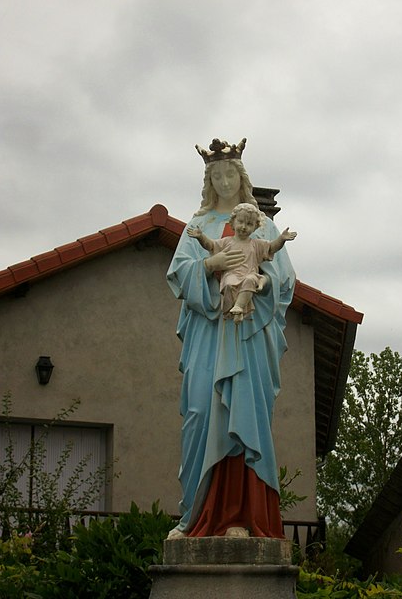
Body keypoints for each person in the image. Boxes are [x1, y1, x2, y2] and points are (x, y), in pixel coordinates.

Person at [166, 138, 296, 539]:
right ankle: (195, 517)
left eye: (230, 174)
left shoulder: (265, 225)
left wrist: (257, 283)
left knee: (242, 415)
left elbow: (284, 279)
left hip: (248, 335)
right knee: (202, 414)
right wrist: (211, 264)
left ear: (241, 178)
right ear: (208, 180)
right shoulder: (197, 226)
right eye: (216, 175)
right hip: (208, 332)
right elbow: (178, 274)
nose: (224, 181)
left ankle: (240, 517)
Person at [187, 203, 297, 323]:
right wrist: (200, 237)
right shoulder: (226, 242)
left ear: (255, 227)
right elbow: (211, 245)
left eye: (249, 224)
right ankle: (231, 311)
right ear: (233, 223)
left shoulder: (256, 244)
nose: (244, 227)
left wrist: (281, 239)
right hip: (231, 275)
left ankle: (239, 307)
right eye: (240, 222)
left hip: (249, 274)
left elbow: (271, 248)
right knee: (228, 284)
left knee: (250, 280)